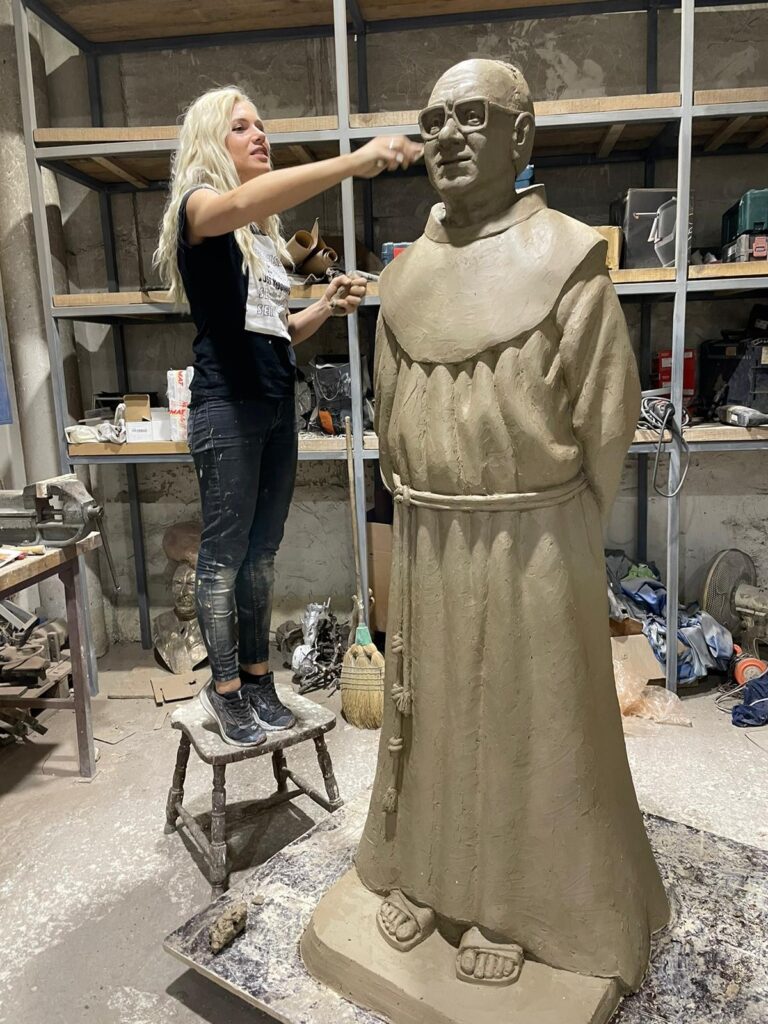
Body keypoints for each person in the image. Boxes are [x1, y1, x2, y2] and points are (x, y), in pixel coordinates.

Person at [304, 59, 669, 1010]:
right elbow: (391, 413)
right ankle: (428, 881)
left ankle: (513, 910)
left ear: (520, 135)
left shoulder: (568, 260)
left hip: (532, 538)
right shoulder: (405, 277)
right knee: (429, 716)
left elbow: (607, 417)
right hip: (431, 536)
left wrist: (555, 523)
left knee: (526, 720)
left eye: (472, 115)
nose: (448, 136)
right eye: (433, 120)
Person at [154, 87, 422, 748]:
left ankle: (255, 681)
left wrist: (326, 306)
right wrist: (352, 162)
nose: (259, 135)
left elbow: (279, 333)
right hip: (225, 407)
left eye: (261, 125)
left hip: (274, 407)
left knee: (260, 558)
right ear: (212, 141)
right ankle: (223, 692)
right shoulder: (200, 208)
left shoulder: (259, 238)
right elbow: (244, 201)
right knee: (223, 558)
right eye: (241, 127)